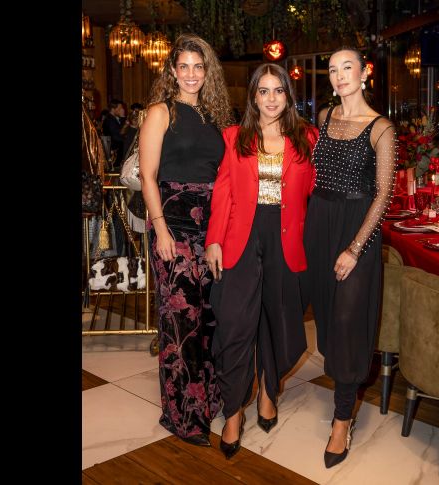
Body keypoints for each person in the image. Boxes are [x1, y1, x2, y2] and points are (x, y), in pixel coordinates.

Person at [205, 63, 318, 459]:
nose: (271, 99)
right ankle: (233, 410)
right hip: (240, 236)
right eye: (263, 91)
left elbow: (319, 196)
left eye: (279, 91)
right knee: (235, 324)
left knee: (279, 320)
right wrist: (214, 241)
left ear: (288, 95)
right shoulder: (233, 137)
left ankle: (269, 390)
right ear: (253, 96)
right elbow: (222, 194)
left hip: (287, 240)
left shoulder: (308, 139)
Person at [301, 46, 397, 469]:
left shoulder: (381, 128)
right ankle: (340, 388)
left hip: (356, 228)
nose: (339, 76)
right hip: (318, 222)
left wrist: (355, 248)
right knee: (325, 315)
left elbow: (383, 195)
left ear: (364, 72)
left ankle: (343, 419)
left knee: (348, 320)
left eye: (347, 68)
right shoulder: (324, 118)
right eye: (333, 70)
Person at [138, 34, 234, 447]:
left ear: (207, 71)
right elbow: (147, 175)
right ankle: (182, 416)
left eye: (199, 66)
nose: (192, 74)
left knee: (210, 319)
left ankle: (207, 401)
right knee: (181, 321)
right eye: (185, 67)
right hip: (173, 226)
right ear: (173, 71)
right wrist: (160, 228)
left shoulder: (217, 117)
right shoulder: (161, 113)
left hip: (211, 230)